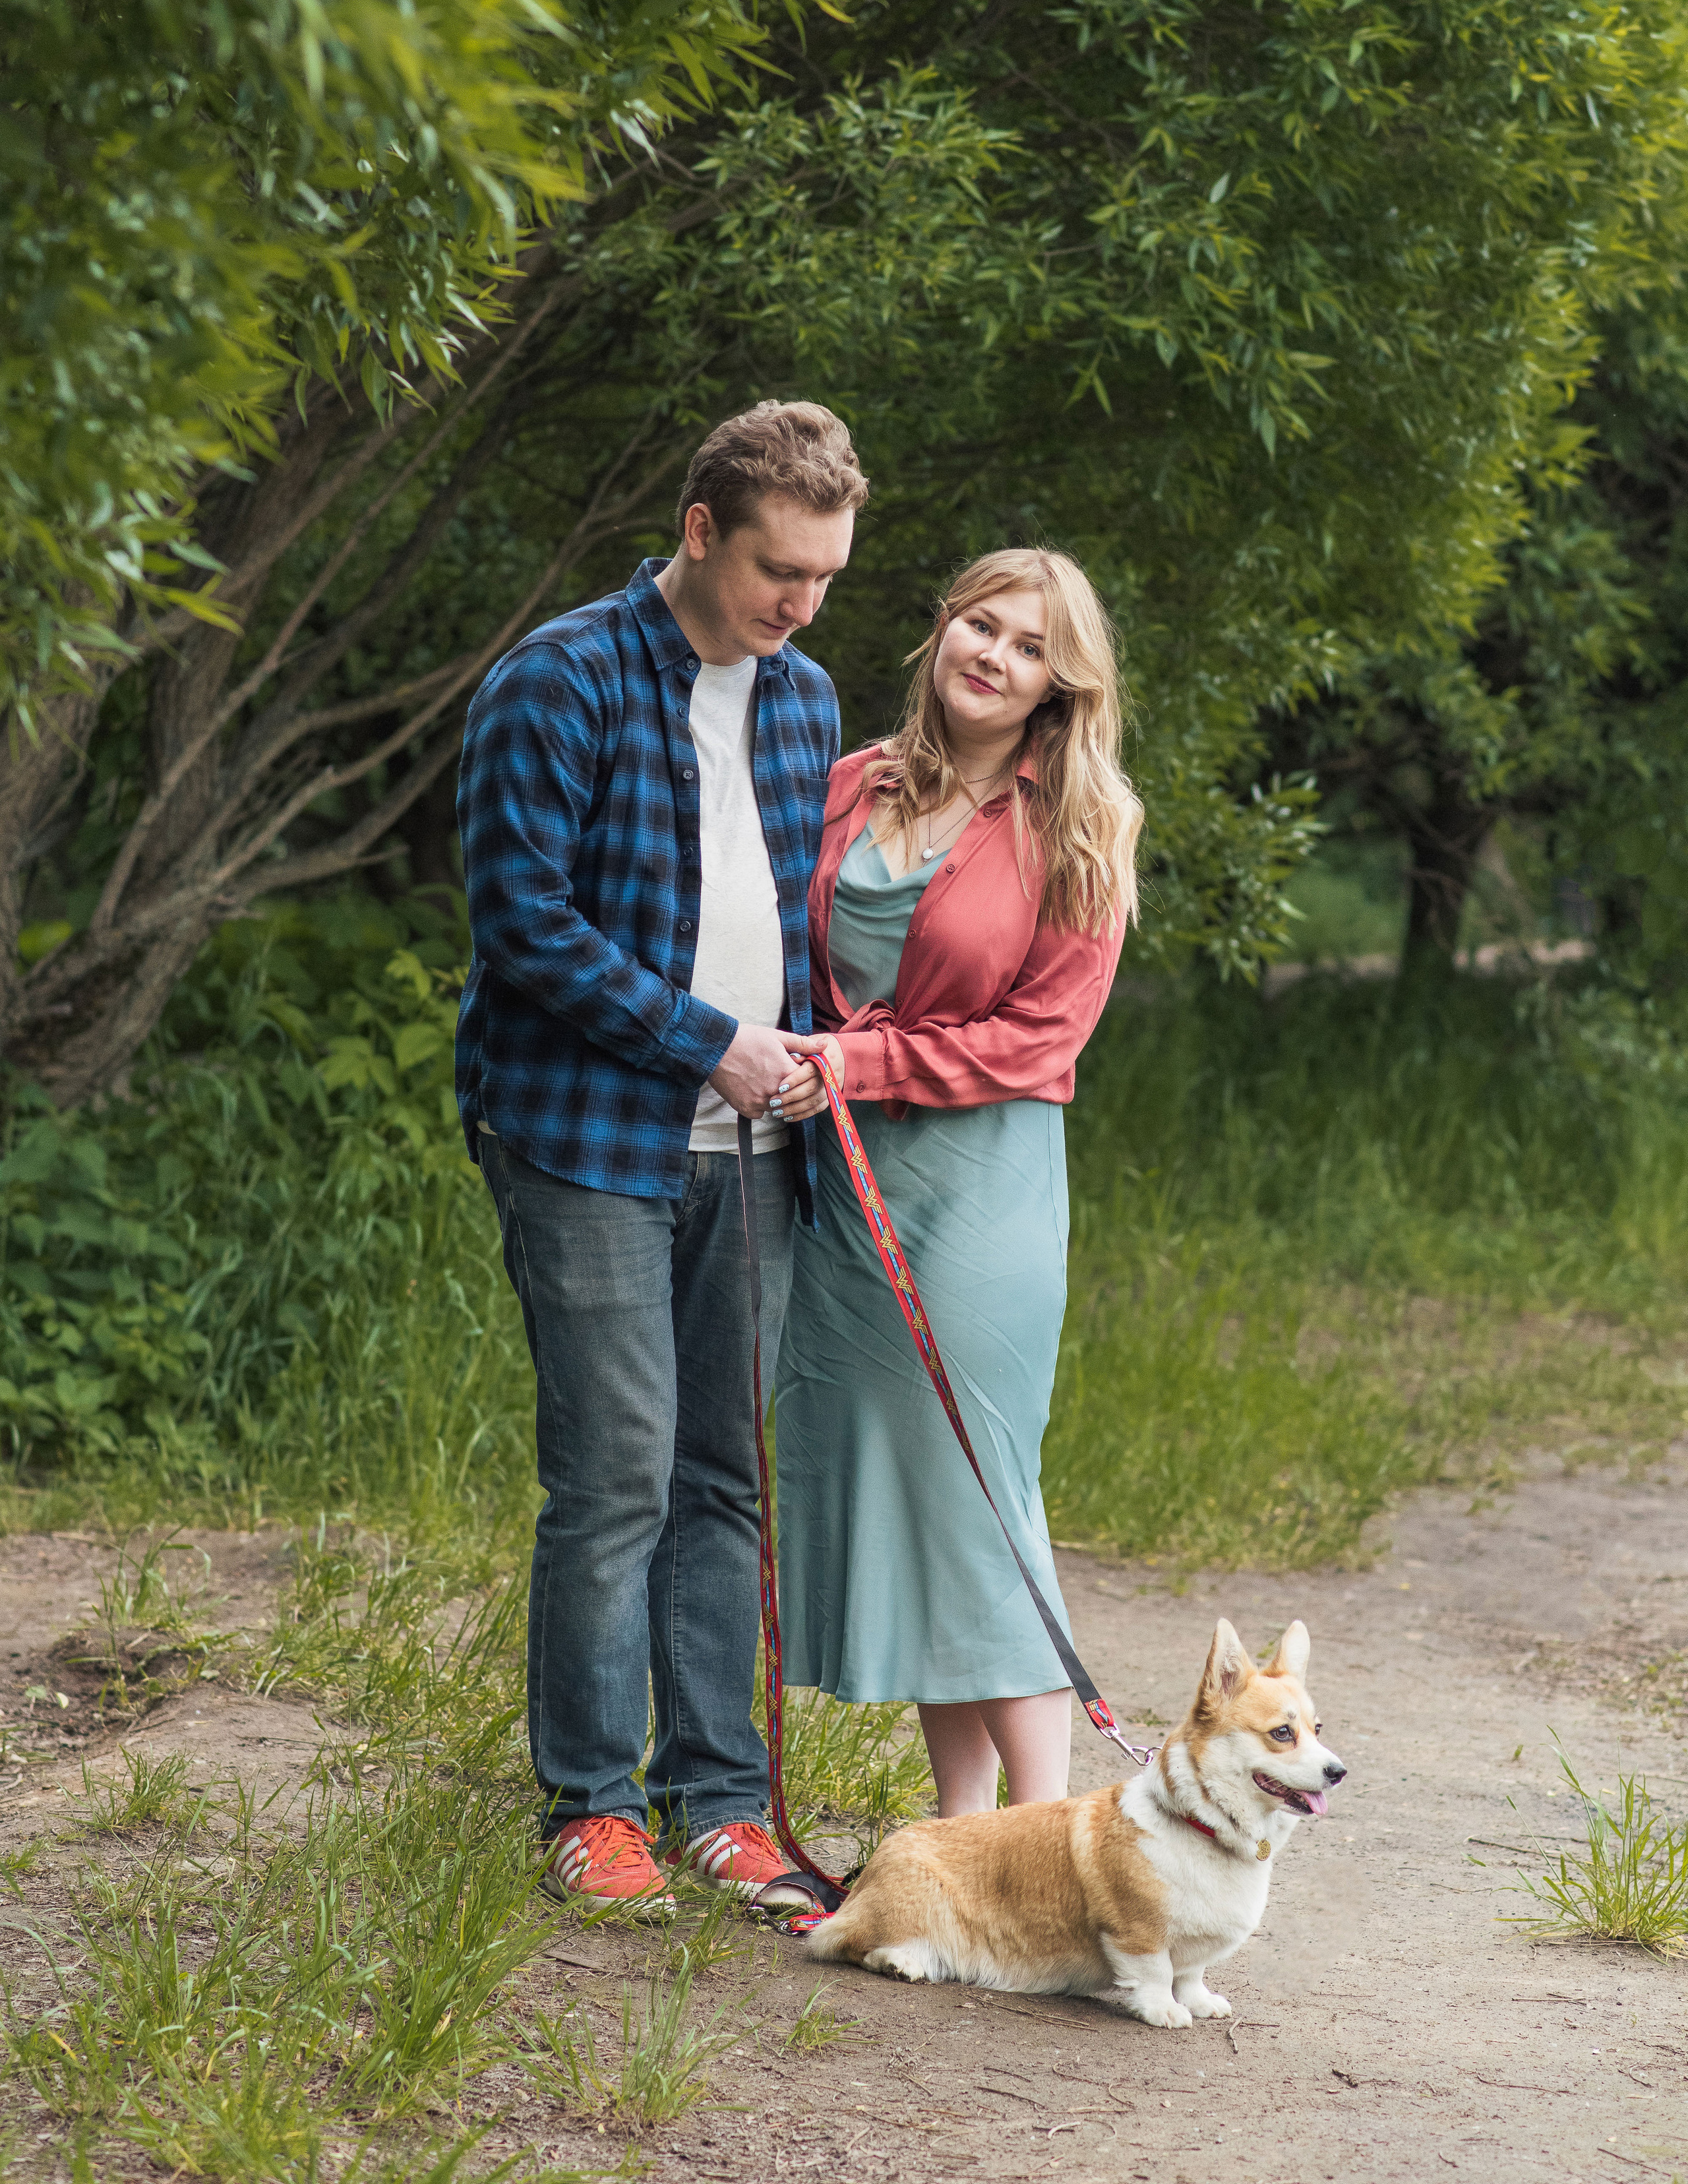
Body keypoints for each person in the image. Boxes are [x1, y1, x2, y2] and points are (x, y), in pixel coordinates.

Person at [455, 400, 868, 1911]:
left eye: (823, 577)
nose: (799, 606)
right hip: (585, 1142)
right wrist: (709, 1039)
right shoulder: (555, 680)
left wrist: (814, 1046)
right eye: (777, 570)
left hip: (754, 1150)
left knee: (722, 1477)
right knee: (616, 1474)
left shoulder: (804, 695)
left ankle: (723, 1800)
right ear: (699, 531)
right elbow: (524, 926)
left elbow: (790, 906)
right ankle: (590, 1804)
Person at [770, 547, 1142, 1818]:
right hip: (841, 1196)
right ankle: (962, 1836)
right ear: (943, 631)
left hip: (979, 1194)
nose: (996, 655)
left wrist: (858, 1058)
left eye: (1031, 646)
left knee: (983, 1498)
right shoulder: (845, 786)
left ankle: (1044, 1842)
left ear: (1060, 684)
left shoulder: (1082, 823)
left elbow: (1043, 1038)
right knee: (927, 1509)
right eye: (982, 625)